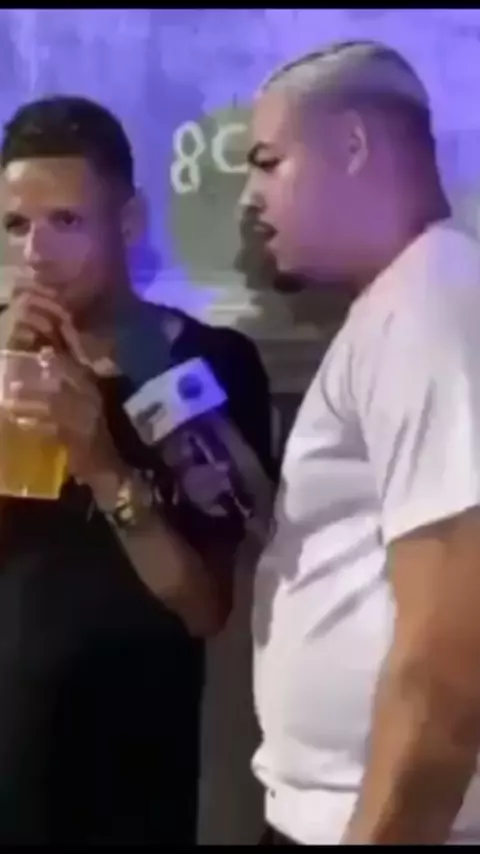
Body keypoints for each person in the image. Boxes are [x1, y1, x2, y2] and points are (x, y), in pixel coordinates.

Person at [0, 95, 275, 844]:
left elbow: (204, 607)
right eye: (16, 226)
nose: (35, 254)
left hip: (133, 767)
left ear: (128, 223)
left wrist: (101, 463)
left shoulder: (205, 364)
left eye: (66, 221)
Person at [241, 40, 480, 845]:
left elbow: (452, 660)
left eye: (268, 162)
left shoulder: (432, 301)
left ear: (351, 145)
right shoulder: (402, 304)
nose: (250, 197)